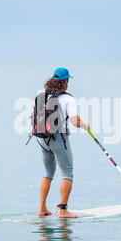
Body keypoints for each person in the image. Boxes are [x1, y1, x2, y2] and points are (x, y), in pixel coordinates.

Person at [36, 68, 90, 219]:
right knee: (68, 173)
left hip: (42, 138)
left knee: (48, 173)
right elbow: (74, 121)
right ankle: (63, 210)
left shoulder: (42, 95)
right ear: (65, 81)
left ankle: (42, 209)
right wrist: (85, 125)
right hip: (59, 138)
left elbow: (34, 111)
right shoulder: (68, 99)